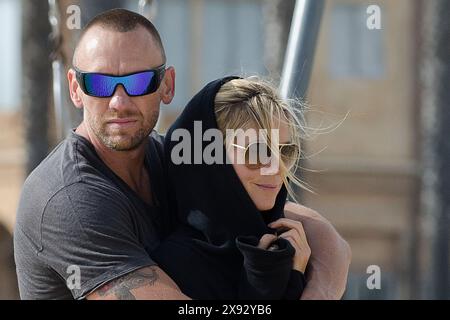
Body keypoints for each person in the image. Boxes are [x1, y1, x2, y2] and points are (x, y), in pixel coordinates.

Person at [14, 8, 350, 300]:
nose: (118, 101)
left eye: (139, 81)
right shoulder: (68, 199)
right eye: (100, 84)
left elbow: (324, 235)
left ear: (167, 86)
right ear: (76, 89)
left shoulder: (171, 157)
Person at [152, 76, 312, 299]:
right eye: (258, 151)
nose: (276, 167)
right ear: (211, 159)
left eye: (285, 151)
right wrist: (264, 284)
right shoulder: (173, 266)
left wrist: (297, 275)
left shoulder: (297, 247)